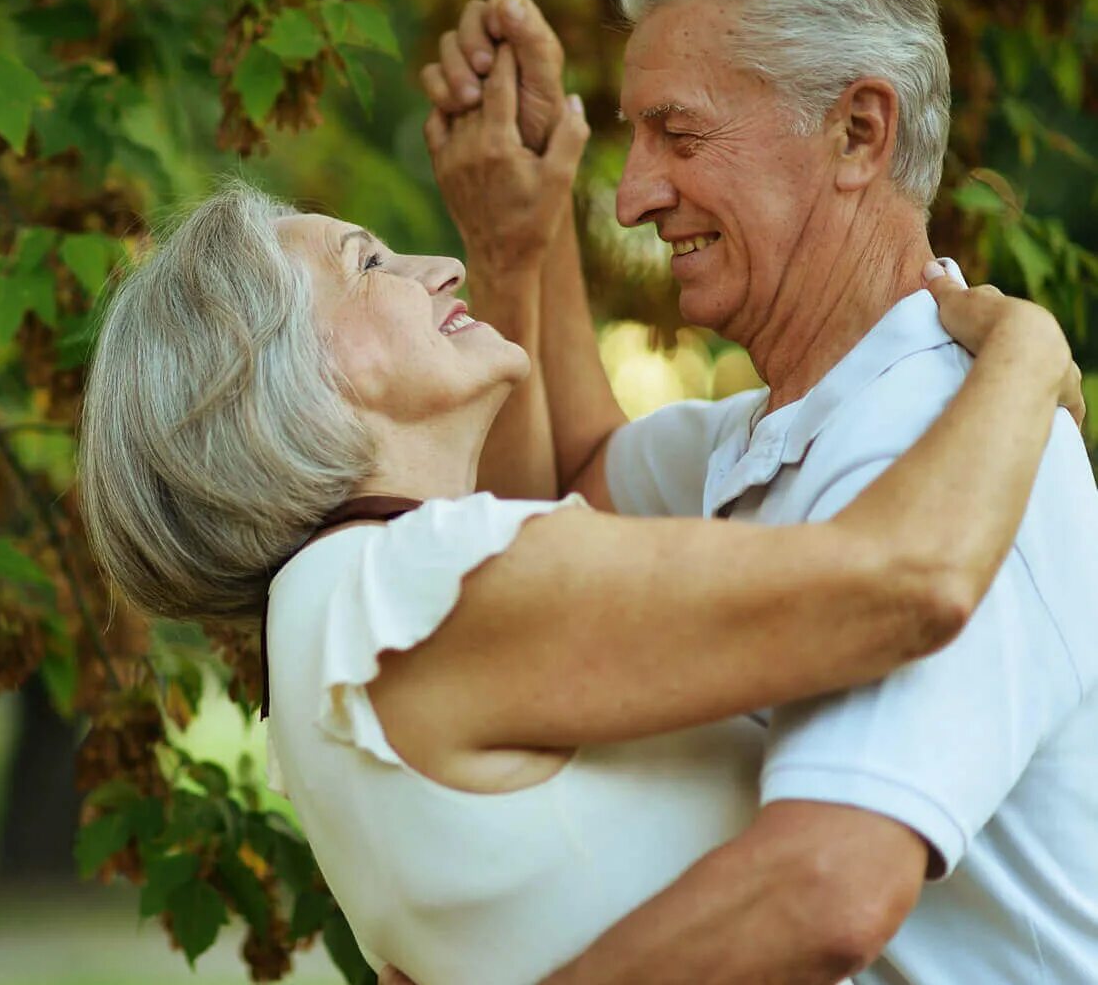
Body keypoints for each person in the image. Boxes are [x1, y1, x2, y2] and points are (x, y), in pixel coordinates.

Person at [75, 49, 1084, 985]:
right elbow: (906, 582)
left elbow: (577, 478)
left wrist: (521, 239)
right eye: (369, 265)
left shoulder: (342, 618)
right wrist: (1027, 354)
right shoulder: (409, 592)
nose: (438, 269)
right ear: (274, 380)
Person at [405, 0, 1098, 981]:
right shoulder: (805, 425)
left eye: (679, 137)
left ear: (858, 133)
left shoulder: (935, 446)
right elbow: (569, 486)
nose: (635, 196)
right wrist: (521, 233)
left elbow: (825, 888)